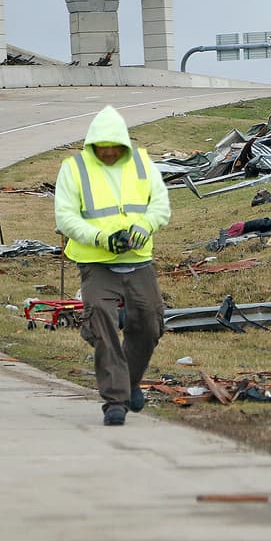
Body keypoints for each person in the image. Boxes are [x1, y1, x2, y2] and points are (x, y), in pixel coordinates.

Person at [54, 105, 171, 426]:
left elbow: (160, 206)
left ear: (123, 144)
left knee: (148, 323)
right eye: (101, 147)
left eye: (113, 146)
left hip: (138, 260)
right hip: (96, 262)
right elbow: (65, 218)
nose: (107, 152)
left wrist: (143, 228)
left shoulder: (143, 163)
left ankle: (130, 383)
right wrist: (103, 238)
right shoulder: (74, 168)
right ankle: (115, 401)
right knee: (101, 322)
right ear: (92, 144)